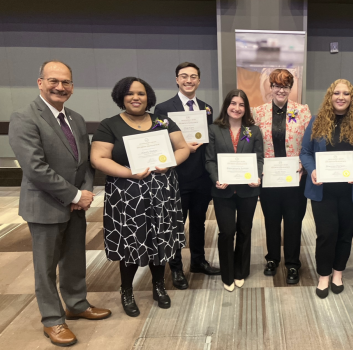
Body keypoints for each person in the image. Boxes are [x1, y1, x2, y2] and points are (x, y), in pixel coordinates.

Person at [8, 60, 111, 347]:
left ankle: (76, 304)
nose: (60, 87)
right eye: (53, 81)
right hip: (44, 206)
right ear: (40, 83)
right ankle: (52, 320)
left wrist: (85, 193)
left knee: (74, 259)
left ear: (72, 87)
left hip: (75, 206)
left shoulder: (75, 119)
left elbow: (86, 163)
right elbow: (35, 168)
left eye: (66, 82)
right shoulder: (24, 117)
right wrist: (75, 195)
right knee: (46, 267)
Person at [90, 77, 190, 317]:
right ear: (121, 97)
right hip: (127, 194)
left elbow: (183, 147)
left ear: (149, 97)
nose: (136, 98)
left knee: (160, 238)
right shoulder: (110, 124)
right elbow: (99, 158)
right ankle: (127, 291)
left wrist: (170, 163)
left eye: (141, 94)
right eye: (130, 93)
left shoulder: (163, 122)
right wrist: (128, 173)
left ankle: (158, 285)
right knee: (131, 242)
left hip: (161, 192)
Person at [300, 79, 353, 299]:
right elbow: (305, 152)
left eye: (345, 93)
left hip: (351, 190)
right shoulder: (316, 121)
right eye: (336, 93)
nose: (340, 97)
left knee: (345, 234)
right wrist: (312, 169)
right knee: (325, 234)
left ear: (351, 97)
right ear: (329, 96)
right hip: (322, 190)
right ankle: (323, 274)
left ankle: (337, 273)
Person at [155, 62, 220, 291]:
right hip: (177, 176)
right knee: (176, 224)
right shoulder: (163, 109)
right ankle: (175, 267)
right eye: (184, 76)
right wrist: (183, 149)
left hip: (202, 176)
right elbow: (160, 142)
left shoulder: (207, 108)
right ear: (176, 79)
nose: (189, 80)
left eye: (193, 76)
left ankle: (198, 261)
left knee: (200, 222)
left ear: (199, 81)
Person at [252, 69, 312, 284]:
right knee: (271, 220)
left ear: (290, 88)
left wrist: (304, 164)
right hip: (269, 178)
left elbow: (309, 144)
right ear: (270, 87)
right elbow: (254, 146)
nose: (281, 90)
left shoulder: (302, 111)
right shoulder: (258, 113)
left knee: (294, 221)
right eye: (276, 86)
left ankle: (293, 263)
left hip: (295, 177)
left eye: (285, 86)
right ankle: (272, 258)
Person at [205, 89, 263, 292]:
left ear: (245, 108)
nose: (237, 108)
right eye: (233, 103)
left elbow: (259, 158)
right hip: (223, 190)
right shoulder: (214, 129)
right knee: (227, 232)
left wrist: (258, 176)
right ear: (226, 105)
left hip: (248, 191)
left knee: (245, 231)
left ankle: (241, 271)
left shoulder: (253, 130)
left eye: (241, 104)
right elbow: (210, 159)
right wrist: (216, 179)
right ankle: (227, 274)